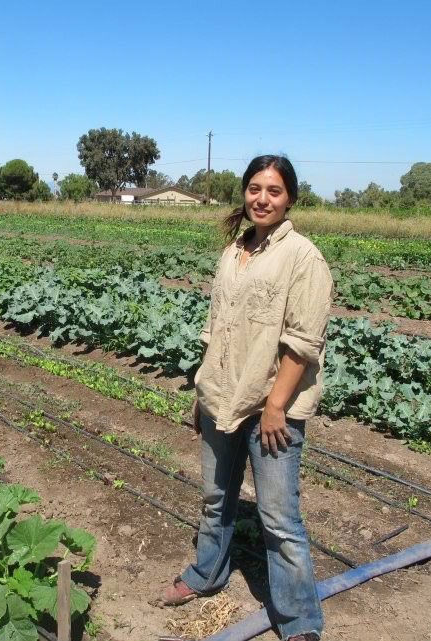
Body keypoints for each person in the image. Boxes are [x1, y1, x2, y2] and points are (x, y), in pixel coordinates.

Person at [158, 155, 332, 641]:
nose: (262, 199)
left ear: (290, 198)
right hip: (222, 396)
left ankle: (299, 620)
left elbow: (302, 342)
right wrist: (203, 389)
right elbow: (216, 328)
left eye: (274, 191)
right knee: (216, 499)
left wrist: (276, 406)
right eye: (255, 189)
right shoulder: (233, 251)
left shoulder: (303, 257)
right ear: (244, 193)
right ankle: (206, 574)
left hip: (271, 407)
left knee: (278, 518)